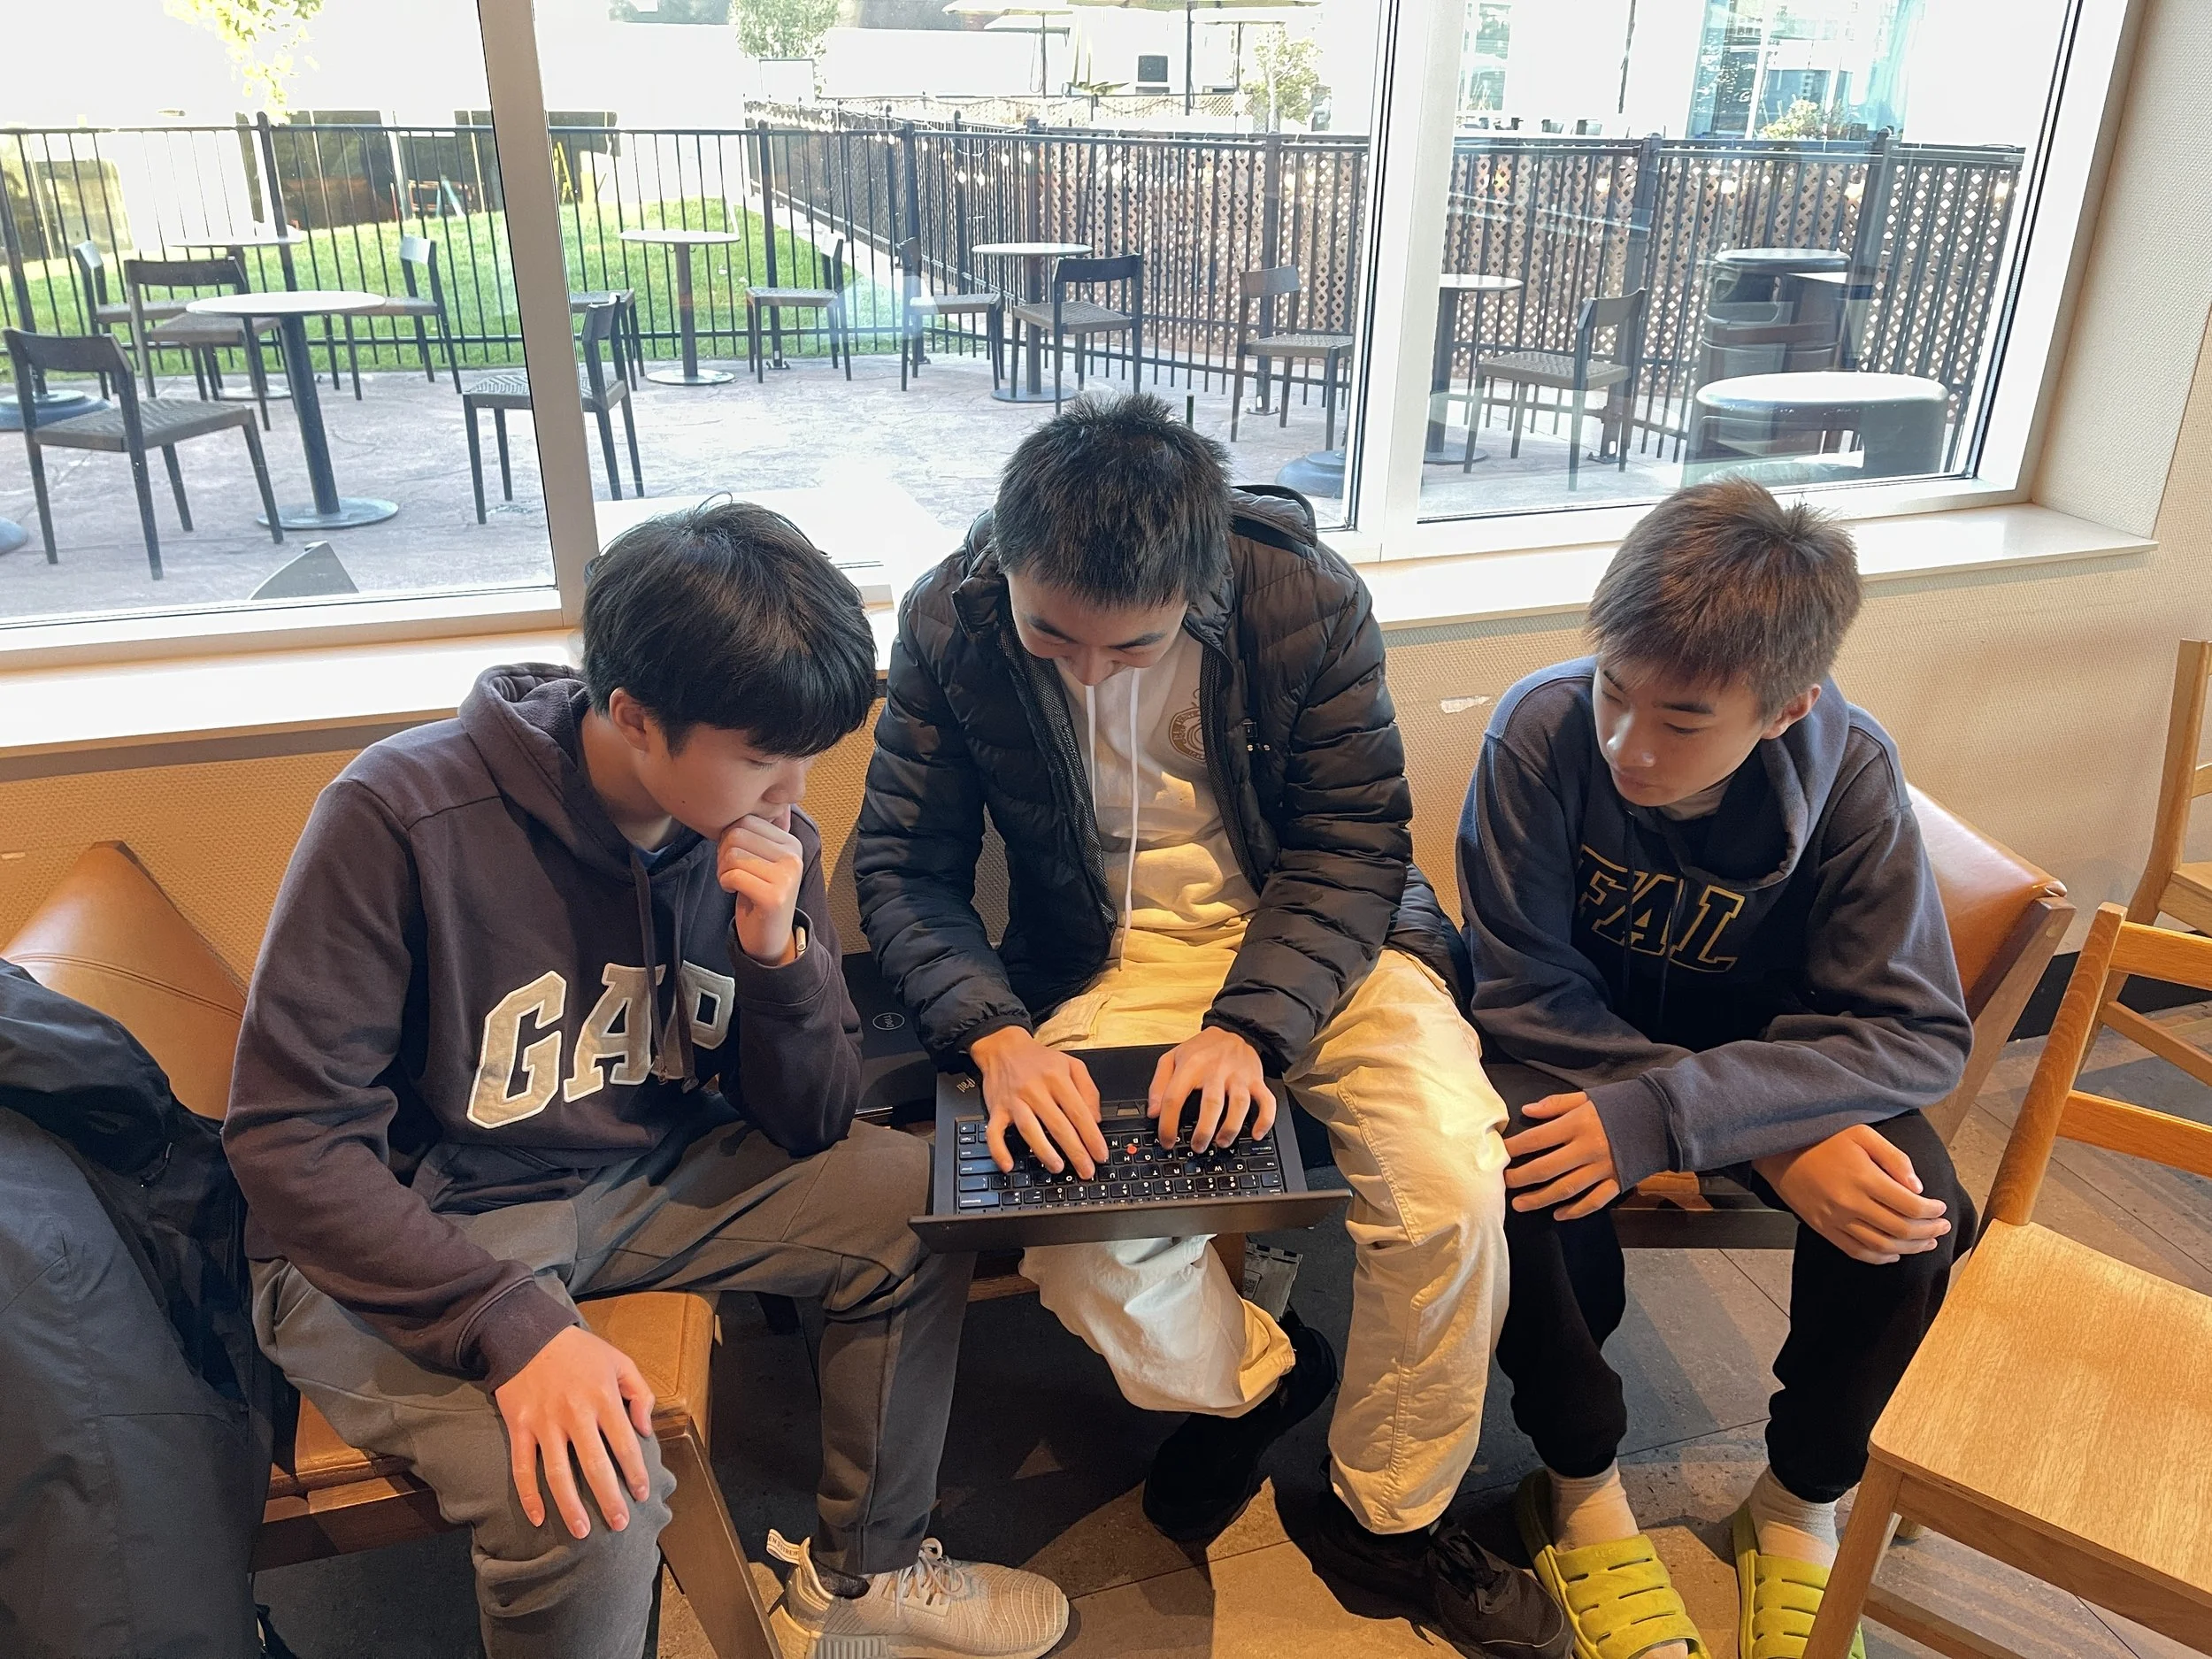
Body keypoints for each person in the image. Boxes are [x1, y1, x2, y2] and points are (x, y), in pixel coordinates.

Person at [225, 503, 1069, 1659]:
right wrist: (510, 1319)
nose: (794, 789)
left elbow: (818, 1114)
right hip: (414, 1221)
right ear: (632, 716)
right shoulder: (398, 814)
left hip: (640, 1165)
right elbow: (289, 1147)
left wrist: (778, 962)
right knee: (585, 1488)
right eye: (766, 755)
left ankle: (859, 1581)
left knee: (921, 1203)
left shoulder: (757, 825)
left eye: (806, 752)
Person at [856, 391, 1567, 1657]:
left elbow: (1355, 845)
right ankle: (1258, 1375)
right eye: (1051, 636)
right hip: (1102, 957)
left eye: (1125, 651)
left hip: (1322, 940)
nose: (1083, 672)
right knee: (1081, 1246)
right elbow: (905, 867)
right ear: (1004, 563)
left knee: (1453, 1181)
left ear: (1198, 586)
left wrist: (1249, 1028)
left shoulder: (1304, 597)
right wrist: (993, 1037)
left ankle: (1389, 1517)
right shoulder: (950, 619)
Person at [1458, 476, 1976, 1659]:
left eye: (1684, 718)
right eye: (1615, 691)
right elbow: (1522, 991)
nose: (1630, 744)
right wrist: (1753, 1134)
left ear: (1788, 706)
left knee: (1918, 1214)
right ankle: (1577, 1482)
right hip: (1580, 1054)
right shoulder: (1538, 733)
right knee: (1518, 1176)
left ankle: (1799, 1499)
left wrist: (1729, 1119)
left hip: (1768, 1069)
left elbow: (1917, 1028)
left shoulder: (1852, 776)